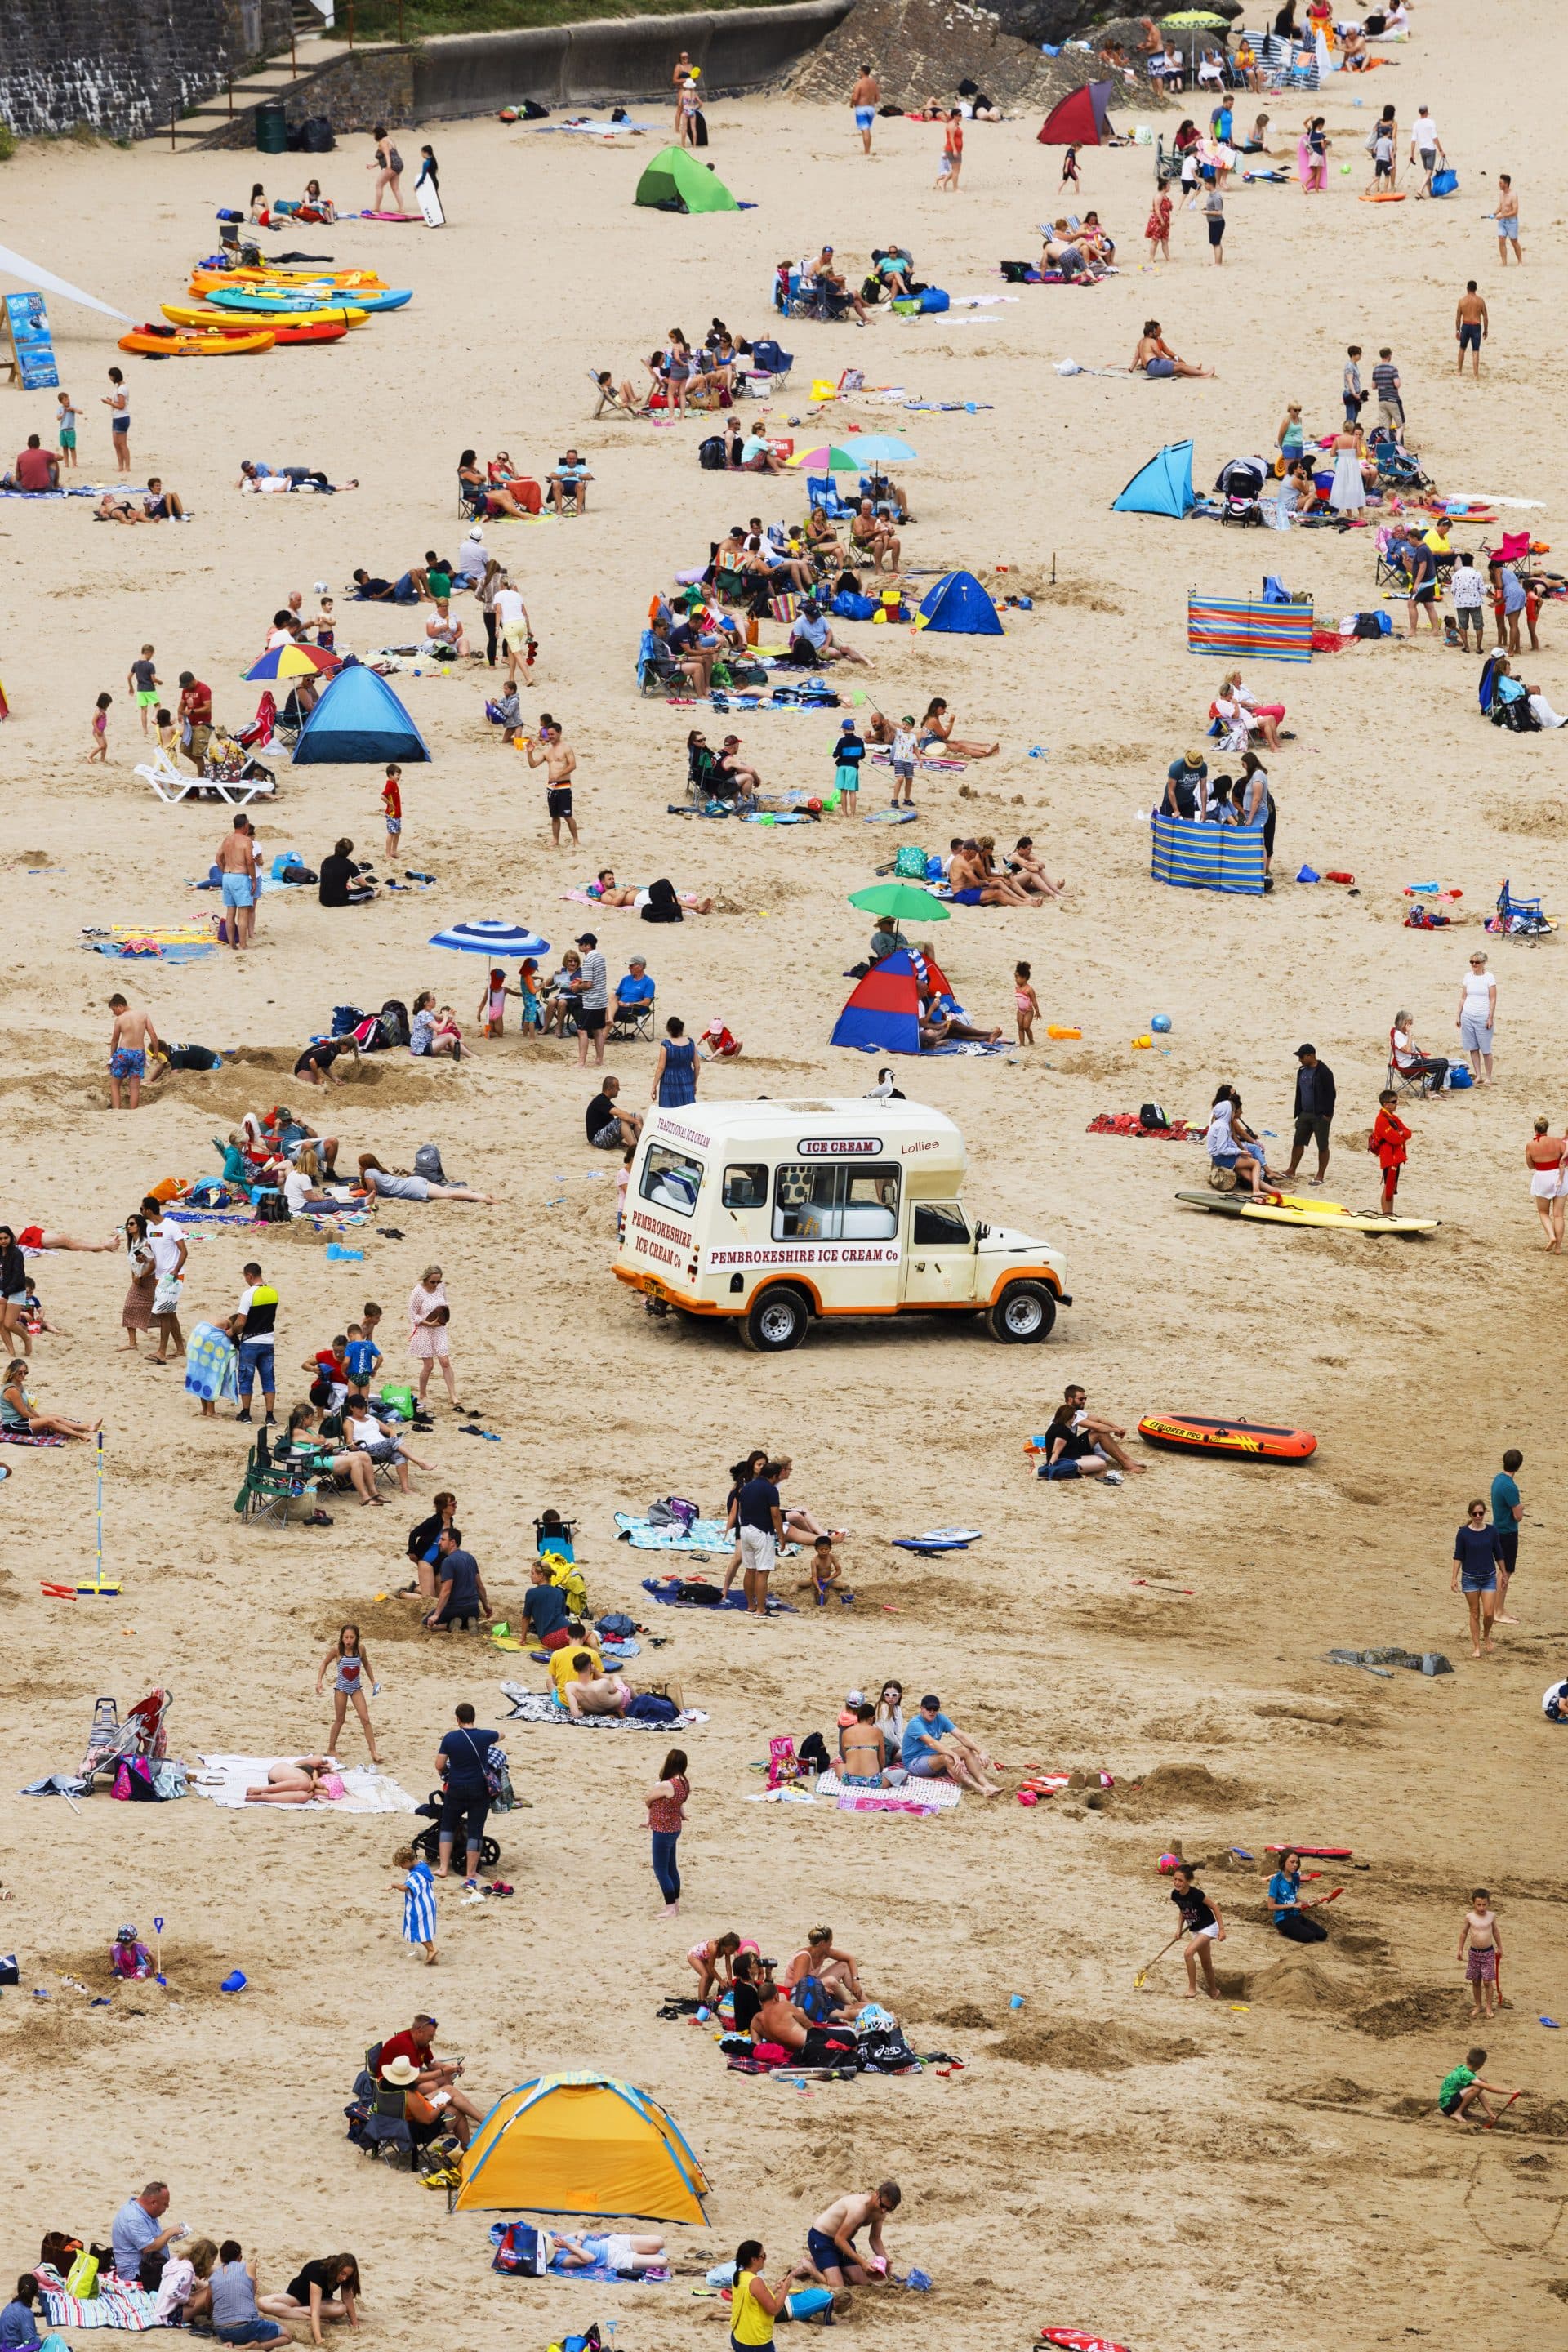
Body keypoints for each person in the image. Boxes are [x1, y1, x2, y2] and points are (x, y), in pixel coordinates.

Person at [435, 1703, 498, 1882]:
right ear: (474, 1717)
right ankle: (471, 1872)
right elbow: (501, 1734)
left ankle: (443, 1867)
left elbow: (439, 1765)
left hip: (456, 1789)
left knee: (447, 1825)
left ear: (458, 1719)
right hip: (479, 1790)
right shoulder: (485, 1736)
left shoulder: (450, 1738)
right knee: (475, 1830)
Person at [901, 1691, 1004, 1796]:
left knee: (965, 1750)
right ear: (921, 1708)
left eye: (935, 1709)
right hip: (914, 1763)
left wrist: (980, 1751)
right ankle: (978, 1788)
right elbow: (932, 1743)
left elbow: (960, 1736)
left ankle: (986, 1784)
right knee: (946, 1757)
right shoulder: (915, 1724)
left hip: (931, 1757)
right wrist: (953, 1754)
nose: (932, 1712)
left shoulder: (940, 1718)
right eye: (929, 1709)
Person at [805, 2186, 900, 2290]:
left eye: (889, 2209)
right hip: (822, 2238)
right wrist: (862, 2262)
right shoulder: (859, 2208)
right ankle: (809, 2267)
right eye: (882, 2206)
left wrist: (885, 2258)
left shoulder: (881, 2212)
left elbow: (875, 2238)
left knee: (862, 2282)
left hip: (843, 2242)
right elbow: (839, 2240)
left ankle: (826, 2265)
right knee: (838, 2286)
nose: (883, 2210)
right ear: (877, 2194)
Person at [256, 2256, 362, 2344]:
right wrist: (318, 2339)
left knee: (341, 2309)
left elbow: (347, 2298)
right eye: (343, 2274)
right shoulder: (318, 2271)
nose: (344, 2278)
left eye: (348, 2275)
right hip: (295, 2298)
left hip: (321, 2302)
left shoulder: (346, 2277)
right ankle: (297, 2313)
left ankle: (289, 2311)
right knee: (262, 2303)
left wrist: (354, 2323)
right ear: (335, 2268)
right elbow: (315, 2311)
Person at [317, 1624, 381, 1762]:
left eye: (352, 1637)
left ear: (356, 1638)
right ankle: (331, 1748)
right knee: (340, 1719)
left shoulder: (360, 1649)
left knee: (365, 1719)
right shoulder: (337, 1650)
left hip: (356, 1687)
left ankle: (374, 1752)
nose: (348, 1640)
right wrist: (319, 1681)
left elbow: (367, 1664)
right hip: (341, 1688)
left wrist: (373, 1681)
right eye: (346, 1637)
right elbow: (324, 1664)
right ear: (341, 1638)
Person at [1452, 1495, 1503, 1660]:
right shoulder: (1463, 1533)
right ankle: (1476, 1646)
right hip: (1470, 1578)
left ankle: (1486, 1634)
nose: (1478, 1517)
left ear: (1485, 1513)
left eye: (1481, 1513)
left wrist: (1504, 1574)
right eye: (1475, 1514)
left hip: (1489, 1577)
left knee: (1489, 1613)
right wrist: (1454, 1578)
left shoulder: (1492, 1531)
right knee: (1474, 1613)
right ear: (1470, 1515)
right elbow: (1458, 1556)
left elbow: (1498, 1553)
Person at [2, 1359, 99, 1440]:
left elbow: (28, 1408)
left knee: (55, 1417)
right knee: (49, 1421)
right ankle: (80, 1436)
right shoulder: (12, 1390)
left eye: (25, 1373)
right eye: (20, 1373)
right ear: (13, 1373)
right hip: (13, 1424)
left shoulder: (19, 1385)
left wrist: (39, 1418)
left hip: (22, 1419)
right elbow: (24, 1413)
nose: (23, 1375)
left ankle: (88, 1427)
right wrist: (41, 1420)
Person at [1169, 1863, 1225, 1998]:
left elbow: (1215, 1907)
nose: (1177, 1883)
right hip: (1195, 1929)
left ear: (1188, 1881)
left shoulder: (1197, 1894)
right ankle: (1214, 1991)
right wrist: (1179, 1929)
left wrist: (1221, 1929)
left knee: (1188, 1953)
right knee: (1206, 1963)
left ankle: (1192, 1988)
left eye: (1180, 1880)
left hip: (1209, 1927)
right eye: (1175, 1879)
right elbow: (1183, 1911)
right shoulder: (1175, 1895)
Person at [737, 1456, 784, 1615]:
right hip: (762, 1531)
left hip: (745, 1530)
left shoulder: (747, 1487)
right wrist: (782, 1537)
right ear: (775, 1476)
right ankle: (761, 1609)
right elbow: (775, 1514)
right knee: (762, 1572)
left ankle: (751, 1606)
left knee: (750, 1569)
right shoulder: (771, 1490)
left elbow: (741, 1509)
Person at [112, 2184, 184, 2289]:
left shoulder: (145, 2211)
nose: (167, 2207)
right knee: (187, 2274)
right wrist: (170, 2232)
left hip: (150, 2266)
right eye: (165, 2204)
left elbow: (150, 2237)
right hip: (138, 2274)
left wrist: (169, 2232)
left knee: (187, 2262)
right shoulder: (134, 2218)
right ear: (153, 2203)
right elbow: (149, 2249)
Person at [209, 2245, 283, 2345]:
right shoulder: (247, 2267)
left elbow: (208, 2304)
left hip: (221, 2331)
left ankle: (233, 2342)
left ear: (221, 2258)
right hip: (245, 2327)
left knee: (238, 2329)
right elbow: (250, 2300)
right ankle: (257, 2347)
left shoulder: (214, 2275)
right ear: (240, 2257)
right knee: (287, 2335)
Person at [646, 1746, 689, 1916]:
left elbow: (648, 1799)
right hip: (674, 1827)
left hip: (663, 1830)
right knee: (672, 1867)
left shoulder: (667, 1785)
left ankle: (670, 1907)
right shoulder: (684, 1783)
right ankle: (675, 1905)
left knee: (661, 1869)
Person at [1205, 1085, 1268, 1200]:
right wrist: (1241, 1151)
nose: (1235, 1096)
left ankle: (1271, 1189)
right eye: (1232, 1094)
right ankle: (1262, 1181)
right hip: (1223, 1156)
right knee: (1254, 1157)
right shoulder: (1225, 1118)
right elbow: (1234, 1137)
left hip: (1223, 1154)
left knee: (1248, 1166)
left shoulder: (1220, 1113)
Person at [1285, 1043, 1335, 1184]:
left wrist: (1327, 1114)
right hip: (1304, 1113)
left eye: (1301, 1057)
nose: (1299, 1060)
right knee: (1297, 1142)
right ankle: (1291, 1170)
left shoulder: (1324, 1072)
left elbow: (1331, 1094)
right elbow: (1299, 1092)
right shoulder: (1301, 1071)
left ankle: (1320, 1175)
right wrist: (1299, 1111)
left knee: (1322, 1145)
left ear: (1311, 1055)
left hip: (1320, 1115)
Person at [527, 721, 578, 849]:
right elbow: (533, 765)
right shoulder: (547, 751)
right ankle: (555, 840)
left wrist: (559, 775)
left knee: (567, 815)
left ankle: (576, 840)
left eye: (552, 734)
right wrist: (529, 753)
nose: (550, 737)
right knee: (554, 816)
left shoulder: (566, 748)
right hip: (551, 787)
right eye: (548, 734)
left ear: (559, 733)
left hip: (564, 785)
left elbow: (573, 765)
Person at [425, 1528, 490, 1631]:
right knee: (466, 1615)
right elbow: (479, 1586)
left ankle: (449, 1625)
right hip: (473, 1609)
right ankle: (467, 1623)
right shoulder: (470, 1558)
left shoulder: (448, 1561)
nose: (439, 1542)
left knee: (426, 1623)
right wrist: (486, 1606)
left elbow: (446, 1590)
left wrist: (436, 1615)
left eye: (442, 1540)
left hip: (455, 1609)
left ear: (452, 1542)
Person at [730, 2243, 793, 2348]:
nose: (765, 2259)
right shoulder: (755, 2282)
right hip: (755, 2342)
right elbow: (774, 2310)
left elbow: (756, 2297)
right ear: (754, 2259)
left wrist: (776, 2287)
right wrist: (785, 2290)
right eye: (763, 2256)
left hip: (738, 2336)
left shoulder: (739, 2276)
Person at [1439, 2047, 1519, 2126]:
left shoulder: (1463, 2068)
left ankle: (1464, 2110)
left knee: (1481, 2081)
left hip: (1450, 2100)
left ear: (1467, 2058)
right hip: (1447, 2105)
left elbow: (1479, 2093)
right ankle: (1457, 2113)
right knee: (1476, 2088)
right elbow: (1490, 2089)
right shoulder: (1467, 2075)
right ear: (1481, 2065)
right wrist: (1512, 2092)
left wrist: (1491, 2114)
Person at [107, 992, 158, 1111]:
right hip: (139, 1054)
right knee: (134, 1087)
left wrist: (112, 1058)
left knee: (115, 1084)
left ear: (120, 1006)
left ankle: (116, 1110)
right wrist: (155, 1052)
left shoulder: (120, 1019)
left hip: (123, 1053)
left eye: (114, 1010)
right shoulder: (143, 1015)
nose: (114, 1013)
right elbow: (153, 1036)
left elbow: (114, 1040)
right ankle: (133, 1111)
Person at [1267, 1850, 1330, 1944]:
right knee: (1309, 1937)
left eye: (1297, 1862)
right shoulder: (1276, 1880)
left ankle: (1295, 1929)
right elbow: (1271, 1906)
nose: (1295, 1865)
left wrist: (1310, 1902)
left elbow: (1292, 1897)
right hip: (1283, 1919)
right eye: (1292, 1862)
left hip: (1296, 1915)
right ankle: (1284, 1931)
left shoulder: (1296, 1877)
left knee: (1322, 1935)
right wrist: (1292, 1906)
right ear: (1284, 1862)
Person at [1457, 1891, 1502, 2022]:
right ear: (1474, 1904)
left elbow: (1495, 1931)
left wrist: (1500, 1948)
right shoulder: (1470, 1917)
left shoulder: (1491, 1916)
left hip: (1488, 1953)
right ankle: (1478, 2005)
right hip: (1474, 1953)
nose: (1482, 1908)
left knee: (1488, 1981)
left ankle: (1489, 2007)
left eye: (1484, 1904)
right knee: (1476, 1981)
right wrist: (1460, 1949)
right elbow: (1464, 1933)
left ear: (1488, 1903)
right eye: (1479, 1905)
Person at [1458, 951, 1497, 1085]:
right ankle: (1478, 1075)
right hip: (1467, 1015)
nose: (1474, 965)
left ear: (1483, 963)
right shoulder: (1468, 976)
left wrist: (1490, 1018)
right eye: (1472, 962)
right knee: (1473, 1048)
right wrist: (1458, 1015)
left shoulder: (1489, 978)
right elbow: (1463, 997)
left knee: (1486, 1049)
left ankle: (1489, 1077)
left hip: (1482, 1016)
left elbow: (1493, 999)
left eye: (1477, 962)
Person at [1132, 320, 1213, 379]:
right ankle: (1204, 373)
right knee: (1180, 366)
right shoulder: (1152, 341)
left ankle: (1202, 375)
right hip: (1154, 366)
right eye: (1156, 332)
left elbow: (1136, 357)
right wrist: (1173, 362)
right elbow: (1160, 355)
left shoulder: (1142, 342)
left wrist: (1130, 369)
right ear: (1150, 333)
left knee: (1180, 371)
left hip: (1152, 368)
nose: (1159, 333)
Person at [652, 1015, 698, 1108]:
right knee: (688, 1110)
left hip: (669, 1082)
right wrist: (694, 1083)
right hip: (687, 1080)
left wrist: (654, 1086)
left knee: (669, 1112)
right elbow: (697, 1066)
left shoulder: (667, 1045)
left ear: (669, 1029)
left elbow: (661, 1068)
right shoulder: (691, 1043)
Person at [586, 1074, 642, 1150]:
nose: (619, 1089)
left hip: (604, 1135)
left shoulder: (605, 1100)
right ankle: (634, 1150)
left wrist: (618, 1142)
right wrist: (637, 1122)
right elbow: (620, 1114)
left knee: (637, 1116)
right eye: (617, 1087)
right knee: (623, 1121)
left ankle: (642, 1146)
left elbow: (610, 1124)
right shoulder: (600, 1101)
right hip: (596, 1139)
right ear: (610, 1088)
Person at [851, 62, 880, 154]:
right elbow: (877, 98)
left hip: (862, 109)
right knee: (867, 129)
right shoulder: (874, 83)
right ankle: (867, 150)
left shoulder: (859, 83)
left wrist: (852, 103)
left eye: (860, 71)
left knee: (865, 129)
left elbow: (855, 97)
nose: (859, 73)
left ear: (863, 72)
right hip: (871, 109)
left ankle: (867, 152)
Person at [1494, 173, 1521, 264]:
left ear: (1506, 184)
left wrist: (1502, 215)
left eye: (1501, 183)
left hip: (1512, 222)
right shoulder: (1501, 194)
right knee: (1501, 239)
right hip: (1502, 221)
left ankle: (1520, 261)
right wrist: (1495, 213)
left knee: (1514, 241)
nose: (1499, 184)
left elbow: (1515, 211)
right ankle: (1504, 262)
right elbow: (1501, 205)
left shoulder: (1513, 195)